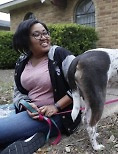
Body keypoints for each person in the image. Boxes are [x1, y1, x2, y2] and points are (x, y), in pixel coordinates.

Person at [0, 19, 81, 154]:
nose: (44, 37)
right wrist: (26, 104)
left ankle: (30, 135)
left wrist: (56, 106)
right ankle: (31, 138)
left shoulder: (59, 54)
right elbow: (18, 92)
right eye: (37, 35)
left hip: (57, 115)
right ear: (26, 40)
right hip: (29, 113)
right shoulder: (22, 60)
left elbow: (81, 83)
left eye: (45, 33)